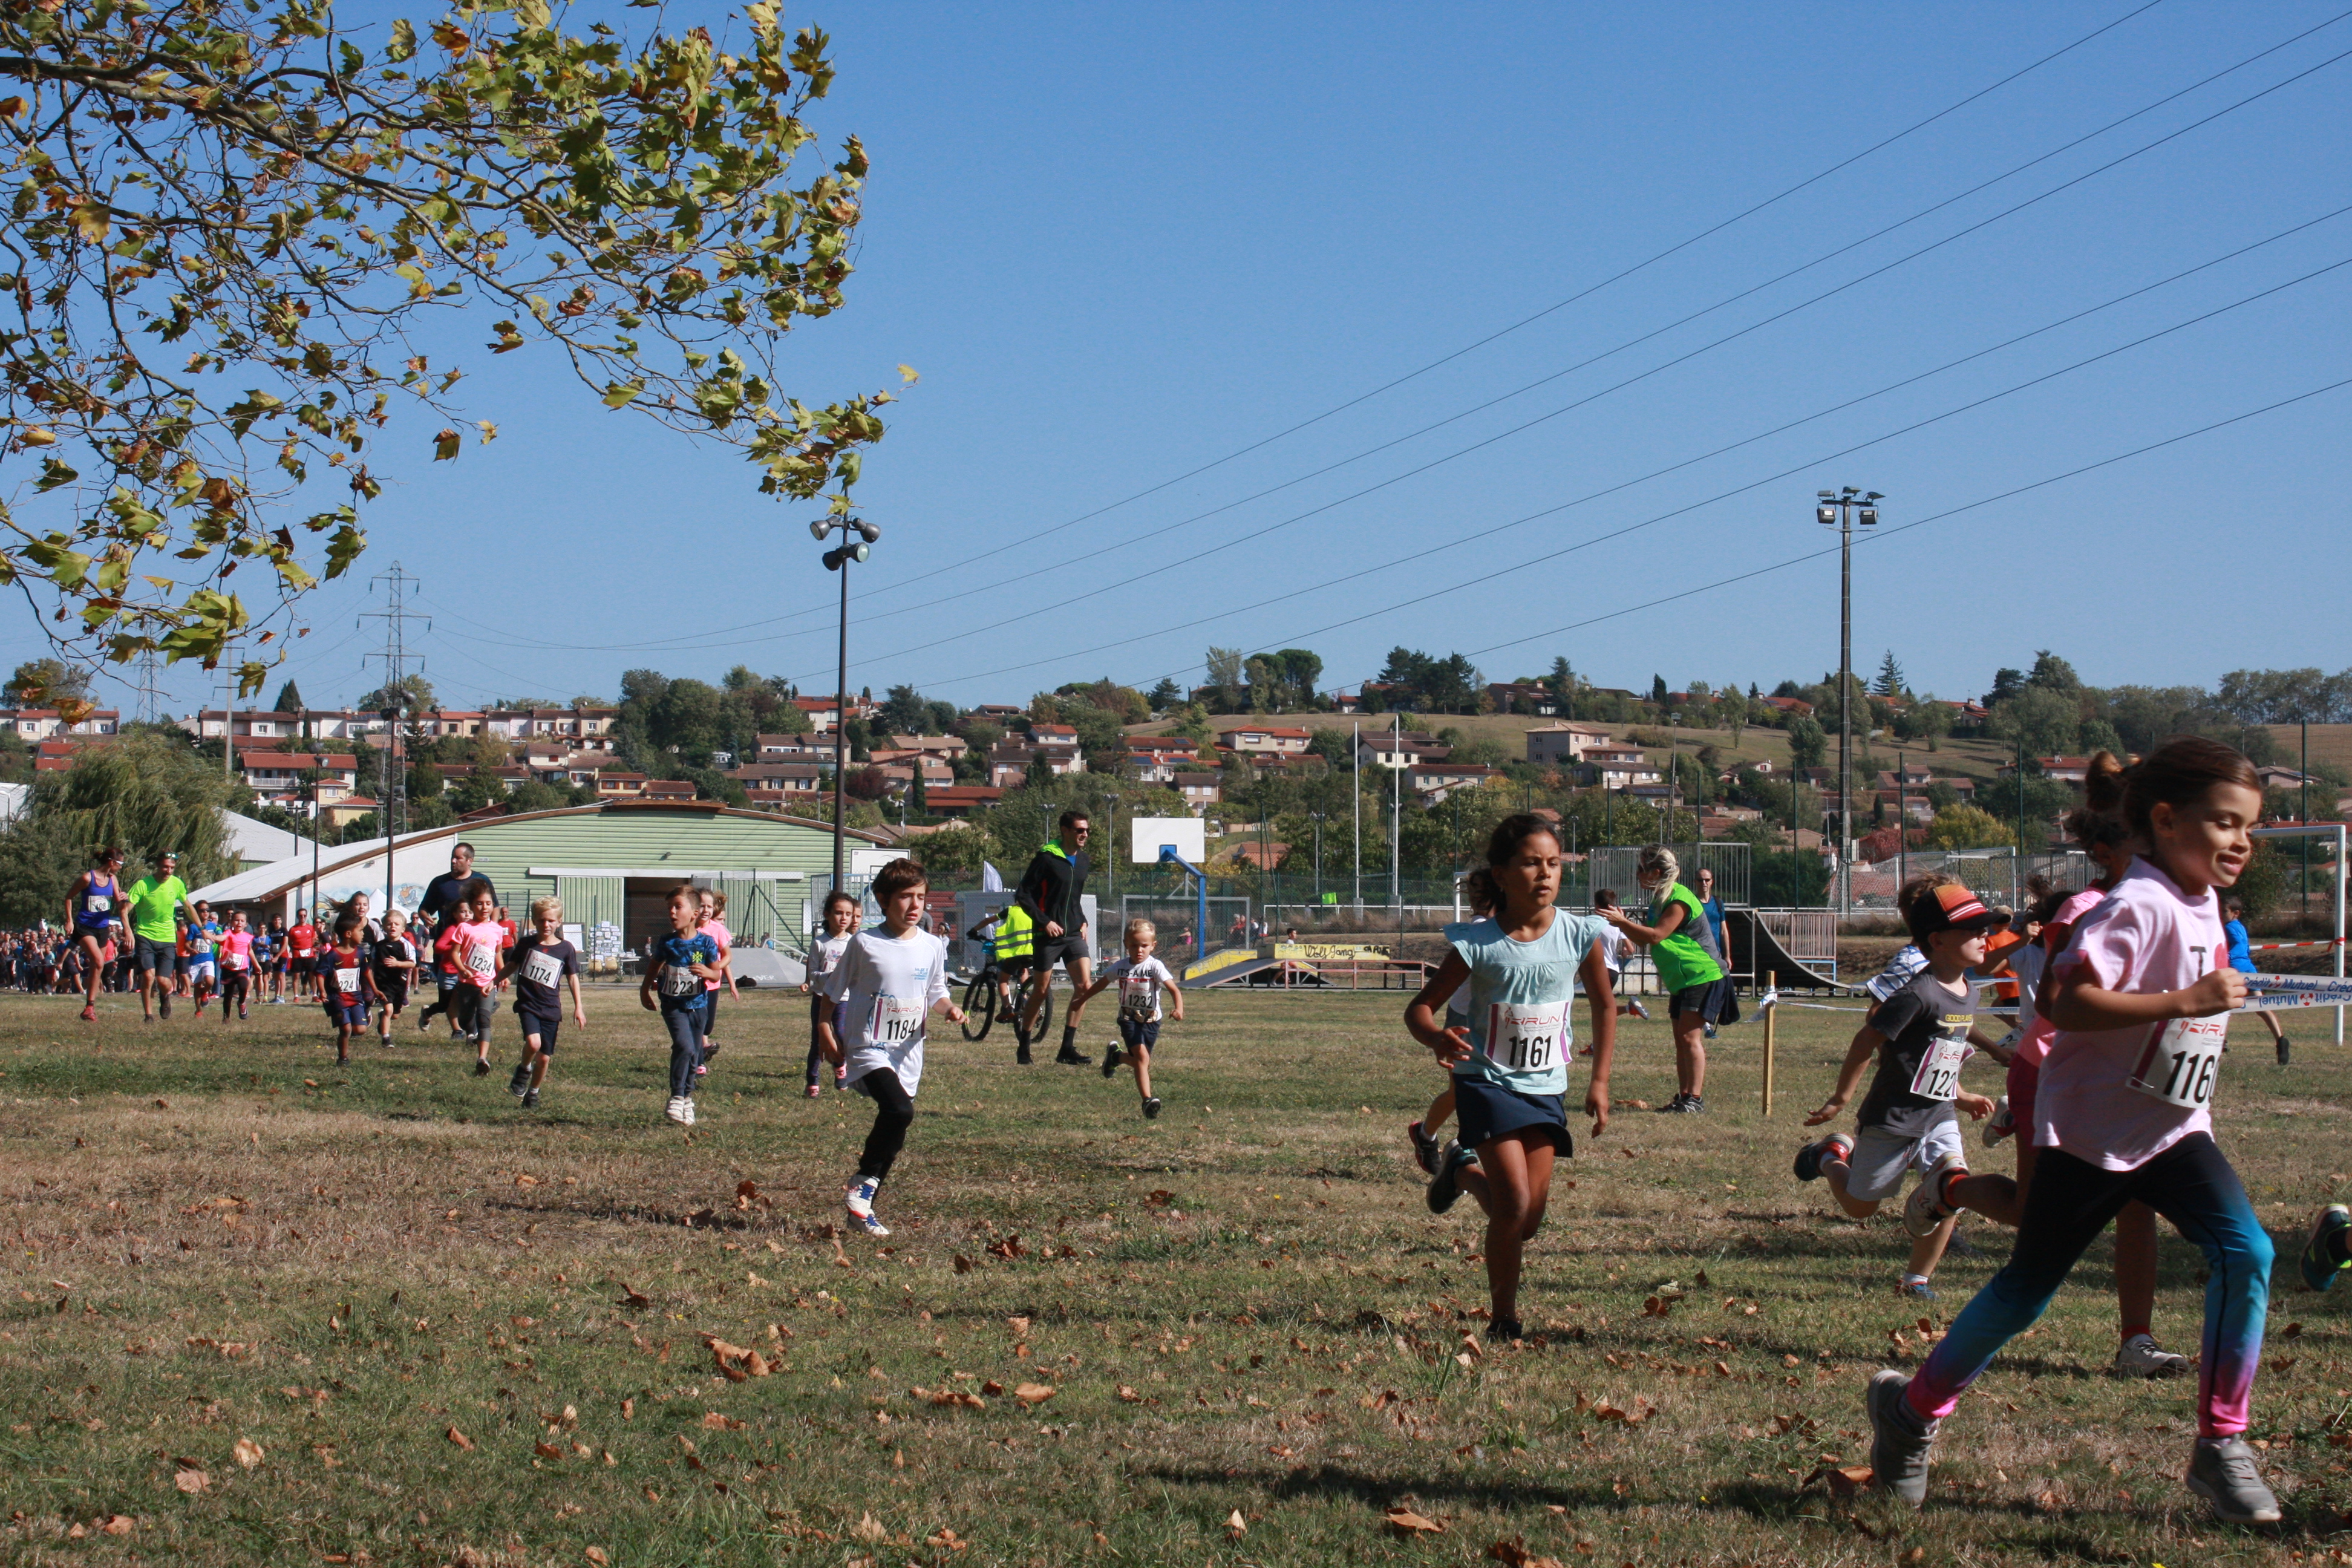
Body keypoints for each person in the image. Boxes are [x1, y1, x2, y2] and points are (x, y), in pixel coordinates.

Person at [1865, 737, 2278, 1524]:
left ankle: (2221, 1443)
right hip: (2091, 1139)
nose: (2241, 842)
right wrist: (2186, 1003)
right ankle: (1911, 1412)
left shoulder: (2203, 907)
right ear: (2166, 819)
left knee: (2248, 1250)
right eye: (2225, 823)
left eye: (2249, 828)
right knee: (2026, 1293)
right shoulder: (2137, 905)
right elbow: (2067, 1004)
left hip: (2174, 1129)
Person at [1982, 755, 2190, 1380]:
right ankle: (1950, 1192)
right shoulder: (2088, 910)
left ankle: (2137, 1341)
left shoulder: (2170, 903)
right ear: (2107, 849)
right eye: (2148, 840)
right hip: (2051, 1073)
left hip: (2130, 1082)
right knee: (2034, 1219)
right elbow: (2056, 1005)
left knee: (2139, 1209)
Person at [1406, 813, 1617, 1343]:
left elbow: (1605, 1006)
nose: (1545, 875)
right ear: (1501, 873)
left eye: (1554, 864)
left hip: (1546, 1085)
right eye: (1530, 863)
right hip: (1486, 1081)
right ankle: (1504, 1317)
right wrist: (1437, 1038)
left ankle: (1459, 1171)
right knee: (1515, 1204)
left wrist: (1600, 1082)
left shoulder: (1580, 933)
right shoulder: (1479, 943)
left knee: (1526, 1220)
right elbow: (1420, 1010)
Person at [1792, 877, 2020, 1298]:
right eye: (1973, 930)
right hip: (1893, 1117)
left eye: (1983, 927)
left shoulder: (1967, 990)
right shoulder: (1917, 994)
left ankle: (1916, 1279)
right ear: (1938, 940)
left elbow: (1943, 1050)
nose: (1984, 935)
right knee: (1863, 1207)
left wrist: (1961, 1095)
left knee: (1950, 1185)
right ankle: (1830, 1154)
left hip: (1938, 1116)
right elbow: (1866, 1040)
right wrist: (1839, 1099)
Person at [815, 857, 965, 1237]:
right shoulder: (865, 943)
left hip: (909, 1049)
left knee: (898, 1126)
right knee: (897, 1110)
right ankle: (862, 1182)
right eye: (905, 897)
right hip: (869, 1048)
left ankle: (862, 1209)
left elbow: (936, 992)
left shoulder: (932, 945)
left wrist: (950, 1010)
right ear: (884, 900)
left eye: (920, 897)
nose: (915, 905)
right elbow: (831, 994)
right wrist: (824, 1032)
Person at [1599, 846, 1728, 1113]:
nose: (1637, 875)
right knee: (1680, 1038)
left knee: (1690, 1038)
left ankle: (1695, 1099)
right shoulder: (1658, 901)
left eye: (1641, 870)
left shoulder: (1679, 899)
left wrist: (1622, 922)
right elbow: (1644, 938)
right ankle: (1684, 1097)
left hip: (1701, 974)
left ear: (1655, 873)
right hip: (1682, 978)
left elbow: (1657, 935)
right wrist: (1622, 924)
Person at [1407, 869, 1499, 1174]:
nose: (1476, 897)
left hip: (1499, 1017)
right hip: (1466, 1017)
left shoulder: (1510, 926)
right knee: (1466, 1090)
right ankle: (1450, 1145)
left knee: (1473, 1090)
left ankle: (1432, 1136)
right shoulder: (1479, 930)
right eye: (1472, 891)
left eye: (1480, 891)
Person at [1078, 916, 1184, 1119]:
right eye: (1134, 945)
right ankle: (1147, 1100)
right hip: (1128, 1019)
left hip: (1152, 1021)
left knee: (1141, 1061)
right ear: (1126, 944)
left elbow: (1173, 989)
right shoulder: (1121, 967)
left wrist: (1179, 1009)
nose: (1139, 950)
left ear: (1153, 946)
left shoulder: (1155, 966)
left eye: (1144, 945)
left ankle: (1116, 1057)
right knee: (1142, 1059)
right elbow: (1101, 984)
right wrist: (1082, 999)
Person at [1015, 810, 1096, 1065]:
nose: (1085, 834)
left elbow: (1073, 897)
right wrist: (1044, 922)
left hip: (1073, 934)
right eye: (1079, 830)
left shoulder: (1083, 860)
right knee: (1040, 991)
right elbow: (1023, 895)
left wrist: (1082, 920)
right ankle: (1024, 1045)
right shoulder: (1047, 858)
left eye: (1087, 830)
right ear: (1065, 831)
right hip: (1046, 934)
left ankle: (1067, 1049)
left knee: (1084, 987)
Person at [641, 884, 722, 1126]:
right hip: (673, 1005)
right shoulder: (668, 942)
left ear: (695, 914)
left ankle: (687, 1100)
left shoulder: (706, 943)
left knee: (695, 1053)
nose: (672, 913)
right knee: (684, 1047)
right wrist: (645, 990)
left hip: (698, 1006)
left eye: (678, 907)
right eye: (670, 908)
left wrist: (708, 971)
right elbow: (654, 966)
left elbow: (717, 975)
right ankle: (676, 1096)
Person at [499, 897, 584, 1111]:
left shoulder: (565, 948)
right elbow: (512, 965)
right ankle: (524, 1068)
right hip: (529, 1004)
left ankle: (533, 1093)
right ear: (535, 921)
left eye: (551, 921)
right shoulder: (527, 944)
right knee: (534, 1044)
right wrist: (494, 981)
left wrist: (579, 1008)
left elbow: (573, 978)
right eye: (541, 921)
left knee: (545, 1059)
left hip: (551, 1008)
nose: (546, 925)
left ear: (559, 922)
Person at [416, 842, 493, 1036]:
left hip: (476, 946)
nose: (453, 861)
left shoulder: (481, 881)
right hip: (449, 943)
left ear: (470, 861)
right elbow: (424, 908)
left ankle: (470, 1028)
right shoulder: (440, 883)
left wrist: (494, 928)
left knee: (469, 989)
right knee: (450, 995)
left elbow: (495, 906)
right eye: (453, 857)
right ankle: (457, 1029)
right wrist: (425, 916)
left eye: (458, 858)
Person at [435, 879, 508, 1075]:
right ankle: (472, 1032)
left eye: (488, 903)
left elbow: (498, 954)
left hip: (487, 983)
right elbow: (454, 953)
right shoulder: (465, 928)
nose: (484, 908)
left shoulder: (497, 929)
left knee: (484, 1020)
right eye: (479, 903)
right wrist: (462, 969)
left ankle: (482, 1058)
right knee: (468, 1019)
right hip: (467, 983)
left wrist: (503, 975)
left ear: (493, 905)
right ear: (472, 905)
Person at [123, 850, 195, 1023]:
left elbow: (187, 906)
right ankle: (148, 1015)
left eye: (172, 867)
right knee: (148, 976)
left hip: (168, 939)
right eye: (165, 867)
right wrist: (127, 930)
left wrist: (202, 928)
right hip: (145, 935)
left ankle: (165, 997)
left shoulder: (177, 884)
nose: (168, 871)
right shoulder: (143, 885)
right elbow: (125, 909)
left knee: (164, 981)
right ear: (157, 865)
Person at [2221, 895, 2288, 1065]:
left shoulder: (2229, 927)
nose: (2220, 915)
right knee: (2261, 1006)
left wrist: (2226, 956)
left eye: (2224, 912)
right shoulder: (2239, 926)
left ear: (2236, 913)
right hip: (2249, 969)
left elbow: (2238, 945)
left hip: (2236, 971)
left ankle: (2222, 1041)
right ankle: (2281, 1040)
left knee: (2224, 1005)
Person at [806, 890, 860, 1097]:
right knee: (819, 1040)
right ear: (828, 914)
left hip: (845, 999)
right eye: (839, 913)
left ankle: (840, 1068)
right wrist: (829, 978)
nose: (844, 918)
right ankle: (812, 1081)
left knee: (841, 1035)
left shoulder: (854, 942)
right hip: (822, 998)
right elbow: (812, 973)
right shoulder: (820, 943)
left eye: (849, 914)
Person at [66, 846, 126, 1022]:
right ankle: (90, 1007)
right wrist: (69, 920)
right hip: (84, 927)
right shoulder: (87, 878)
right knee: (99, 962)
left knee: (96, 967)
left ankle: (89, 1008)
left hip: (102, 928)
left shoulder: (113, 880)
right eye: (120, 864)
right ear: (112, 862)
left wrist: (125, 898)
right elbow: (69, 897)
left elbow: (119, 904)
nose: (121, 867)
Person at [316, 912, 377, 1067]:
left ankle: (361, 1018)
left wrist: (375, 990)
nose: (363, 934)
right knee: (346, 1029)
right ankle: (343, 1058)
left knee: (361, 1030)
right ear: (349, 934)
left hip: (356, 998)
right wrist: (322, 991)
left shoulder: (360, 953)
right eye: (361, 931)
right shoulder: (332, 955)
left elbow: (366, 971)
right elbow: (321, 974)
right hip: (338, 998)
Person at [692, 888, 739, 1081]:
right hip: (693, 986)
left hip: (712, 985)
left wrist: (714, 969)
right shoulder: (689, 928)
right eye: (701, 905)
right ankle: (698, 1062)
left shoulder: (717, 930)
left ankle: (700, 1054)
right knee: (696, 1024)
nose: (705, 910)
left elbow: (728, 956)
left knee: (707, 1026)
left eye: (709, 906)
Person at [373, 909, 418, 1044]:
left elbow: (412, 964)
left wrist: (398, 964)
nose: (393, 927)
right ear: (384, 927)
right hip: (383, 983)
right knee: (388, 1009)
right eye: (389, 924)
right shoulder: (379, 946)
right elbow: (372, 964)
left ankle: (383, 1018)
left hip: (399, 984)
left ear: (403, 928)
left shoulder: (406, 945)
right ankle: (386, 1038)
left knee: (395, 1014)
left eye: (396, 924)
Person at [217, 910, 255, 1022]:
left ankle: (242, 1003)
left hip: (242, 967)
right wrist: (213, 937)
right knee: (228, 994)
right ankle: (226, 1017)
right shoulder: (228, 933)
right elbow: (221, 938)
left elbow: (250, 951)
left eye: (242, 921)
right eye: (237, 920)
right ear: (232, 922)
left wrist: (257, 965)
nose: (239, 923)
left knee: (244, 986)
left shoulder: (248, 937)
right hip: (228, 967)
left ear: (246, 924)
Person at [185, 901, 220, 1018]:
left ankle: (206, 993)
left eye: (207, 910)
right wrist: (191, 950)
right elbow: (186, 944)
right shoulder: (193, 927)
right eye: (202, 910)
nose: (205, 912)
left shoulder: (213, 926)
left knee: (210, 981)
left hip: (208, 958)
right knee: (198, 986)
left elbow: (221, 936)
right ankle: (198, 1010)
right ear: (197, 912)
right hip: (195, 960)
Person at [287, 907, 319, 1000]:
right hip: (298, 955)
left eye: (304, 916)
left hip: (309, 955)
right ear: (298, 917)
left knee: (312, 975)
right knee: (296, 975)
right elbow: (290, 942)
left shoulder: (311, 928)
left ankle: (314, 995)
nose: (303, 917)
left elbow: (314, 939)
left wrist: (309, 947)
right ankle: (296, 996)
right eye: (301, 916)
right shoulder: (293, 929)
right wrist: (296, 948)